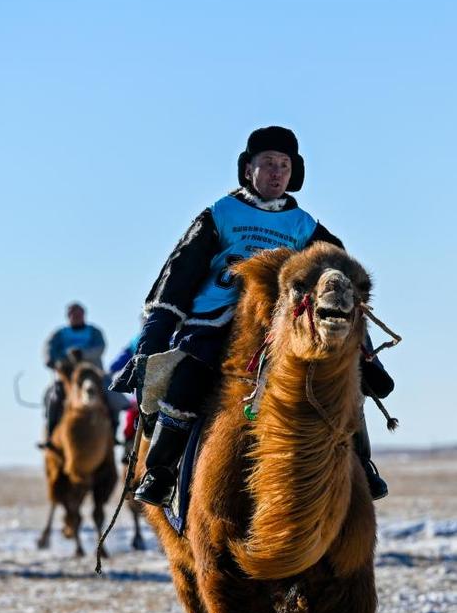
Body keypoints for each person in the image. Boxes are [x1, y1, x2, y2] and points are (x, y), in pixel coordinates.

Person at [113, 126, 393, 506]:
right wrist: (153, 338)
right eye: (268, 164)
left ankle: (361, 465)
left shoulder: (304, 226)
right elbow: (179, 274)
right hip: (218, 320)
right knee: (188, 377)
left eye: (284, 165)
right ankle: (162, 472)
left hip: (282, 326)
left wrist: (363, 355)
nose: (277, 173)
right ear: (248, 170)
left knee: (339, 382)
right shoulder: (221, 214)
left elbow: (343, 285)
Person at [40, 302, 107, 445]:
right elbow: (48, 350)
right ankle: (51, 432)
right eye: (73, 314)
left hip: (91, 373)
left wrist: (83, 354)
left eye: (79, 314)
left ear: (84, 315)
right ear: (68, 316)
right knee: (53, 396)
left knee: (110, 395)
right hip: (67, 376)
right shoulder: (59, 334)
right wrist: (53, 361)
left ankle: (112, 430)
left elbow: (100, 348)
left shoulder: (94, 332)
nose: (76, 317)